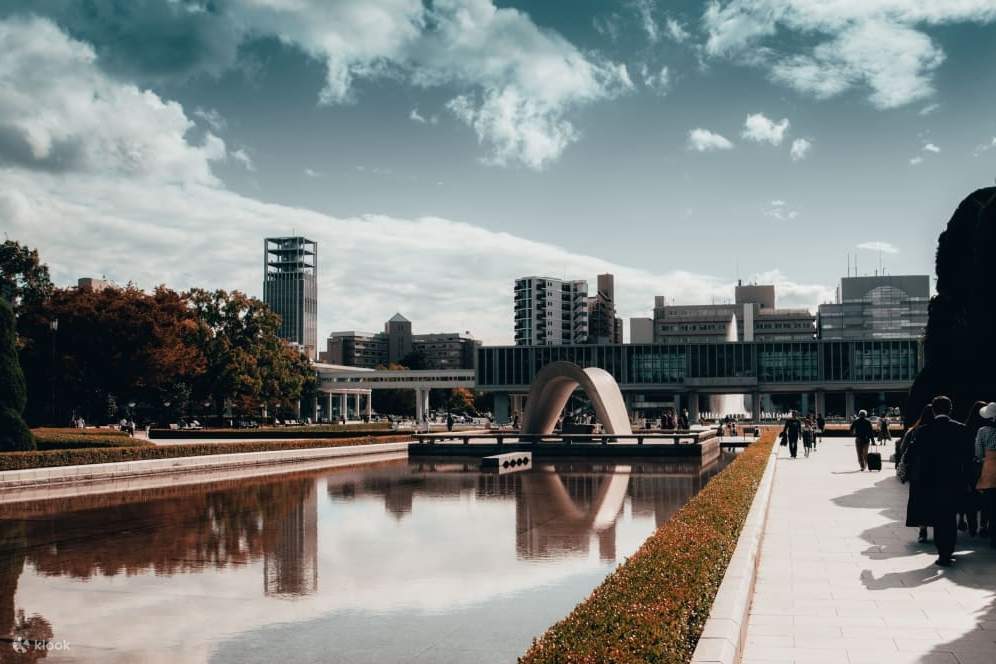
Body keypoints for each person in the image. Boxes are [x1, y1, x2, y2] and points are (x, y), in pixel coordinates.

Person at [914, 396, 971, 567]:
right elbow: (967, 457)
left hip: (932, 482)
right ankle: (948, 551)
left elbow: (919, 459)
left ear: (933, 410)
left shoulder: (924, 430)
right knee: (950, 516)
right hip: (954, 480)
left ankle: (942, 553)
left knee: (939, 518)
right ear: (950, 408)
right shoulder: (960, 429)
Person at [900, 405, 935, 543]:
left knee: (919, 501)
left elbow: (904, 450)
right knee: (935, 500)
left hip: (918, 472)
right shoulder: (937, 431)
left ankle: (922, 529)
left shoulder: (914, 431)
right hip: (935, 471)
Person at [960, 401, 987, 536]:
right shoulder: (987, 429)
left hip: (969, 467)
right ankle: (984, 525)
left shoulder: (965, 428)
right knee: (985, 497)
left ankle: (972, 525)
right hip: (985, 466)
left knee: (970, 497)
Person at [974, 401, 996, 548]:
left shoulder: (982, 431)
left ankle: (991, 533)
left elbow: (979, 453)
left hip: (989, 469)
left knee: (991, 504)